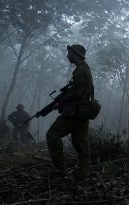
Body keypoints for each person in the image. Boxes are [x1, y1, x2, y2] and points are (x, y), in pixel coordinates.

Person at [46, 44, 94, 179]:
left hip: (74, 112)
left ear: (76, 54)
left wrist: (60, 102)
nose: (67, 56)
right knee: (81, 142)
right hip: (82, 112)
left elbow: (76, 93)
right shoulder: (84, 69)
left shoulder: (81, 71)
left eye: (69, 53)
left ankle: (61, 169)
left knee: (52, 135)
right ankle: (84, 173)